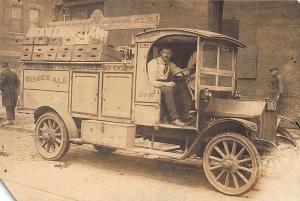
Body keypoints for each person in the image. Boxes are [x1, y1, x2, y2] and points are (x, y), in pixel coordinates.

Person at [147, 45, 190, 126]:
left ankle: (186, 114)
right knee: (168, 89)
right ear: (160, 53)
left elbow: (180, 71)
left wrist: (191, 72)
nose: (166, 55)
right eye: (164, 52)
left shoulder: (169, 63)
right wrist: (166, 84)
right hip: (154, 85)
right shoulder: (153, 63)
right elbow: (152, 81)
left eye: (169, 53)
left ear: (171, 54)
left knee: (182, 87)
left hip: (164, 84)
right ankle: (174, 118)